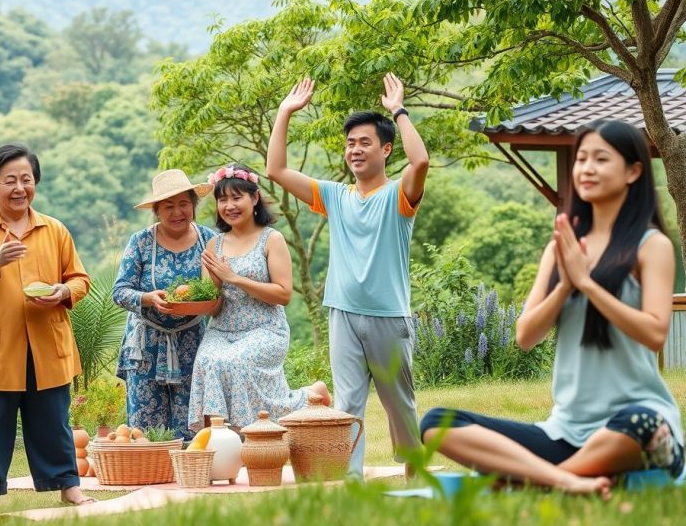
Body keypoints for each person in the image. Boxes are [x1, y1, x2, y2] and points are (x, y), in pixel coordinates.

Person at [420, 121, 683, 497]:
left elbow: (656, 334)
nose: (586, 168)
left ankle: (528, 481)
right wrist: (565, 285)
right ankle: (566, 482)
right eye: (582, 159)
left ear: (633, 171)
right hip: (565, 431)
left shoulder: (650, 245)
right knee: (436, 423)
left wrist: (588, 283)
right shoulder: (560, 247)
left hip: (630, 425)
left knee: (642, 424)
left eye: (601, 159)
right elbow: (525, 336)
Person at [266, 74, 430, 478]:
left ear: (386, 149)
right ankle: (351, 480)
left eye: (365, 142)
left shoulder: (400, 196)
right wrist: (285, 112)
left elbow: (421, 161)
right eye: (350, 143)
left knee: (399, 402)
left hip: (388, 316)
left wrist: (398, 110)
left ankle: (414, 468)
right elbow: (276, 169)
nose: (354, 150)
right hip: (342, 313)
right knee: (347, 403)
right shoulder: (336, 196)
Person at [0, 144, 94, 519]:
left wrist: (64, 291)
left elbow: (79, 278)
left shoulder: (54, 229)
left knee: (53, 422)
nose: (20, 188)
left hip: (48, 342)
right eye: (10, 180)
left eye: (26, 179)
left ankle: (69, 487)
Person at [187, 163, 330, 431]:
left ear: (254, 198)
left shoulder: (271, 239)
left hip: (265, 328)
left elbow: (283, 294)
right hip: (222, 329)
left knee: (235, 362)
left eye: (237, 197)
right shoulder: (213, 245)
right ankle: (221, 443)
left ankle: (304, 398)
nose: (229, 205)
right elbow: (212, 306)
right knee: (207, 362)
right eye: (223, 199)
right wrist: (215, 284)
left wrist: (234, 278)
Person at [113, 170, 216, 441]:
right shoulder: (141, 242)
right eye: (168, 206)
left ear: (193, 205)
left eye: (184, 204)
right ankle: (149, 475)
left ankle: (191, 475)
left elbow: (221, 288)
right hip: (146, 343)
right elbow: (120, 291)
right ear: (157, 211)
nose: (177, 212)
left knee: (192, 423)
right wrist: (148, 298)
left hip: (192, 342)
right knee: (145, 427)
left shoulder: (209, 241)